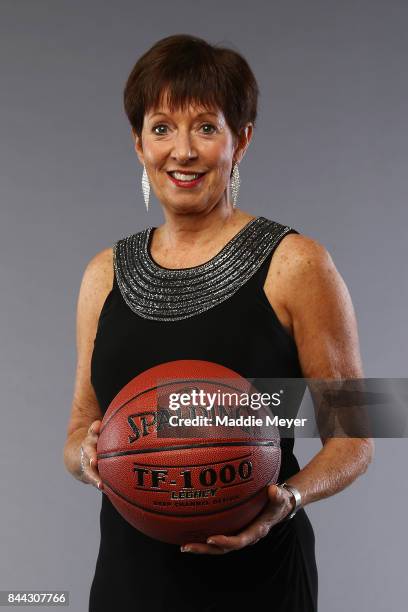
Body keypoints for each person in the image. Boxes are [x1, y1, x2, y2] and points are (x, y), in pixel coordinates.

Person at [63, 34, 374, 612]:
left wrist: (287, 496)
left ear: (242, 139)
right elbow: (79, 427)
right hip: (130, 580)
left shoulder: (297, 262)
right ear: (138, 145)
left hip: (258, 578)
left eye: (206, 127)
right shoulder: (102, 274)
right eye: (161, 128)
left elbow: (355, 431)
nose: (182, 151)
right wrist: (88, 455)